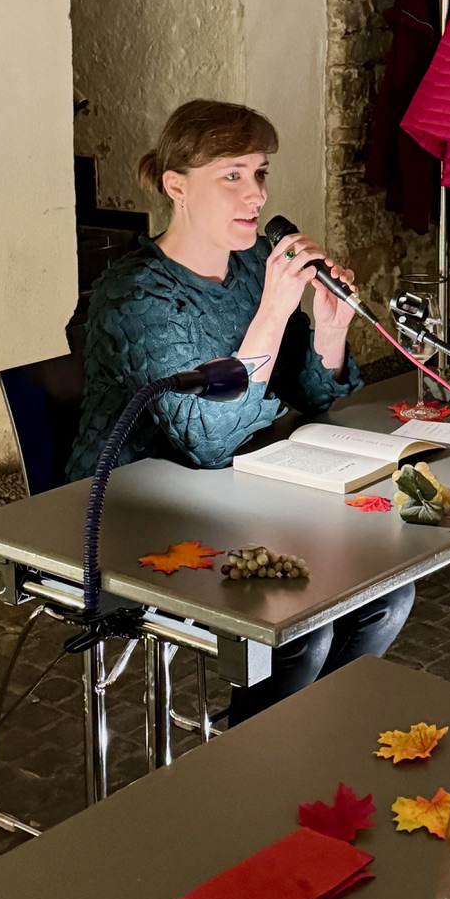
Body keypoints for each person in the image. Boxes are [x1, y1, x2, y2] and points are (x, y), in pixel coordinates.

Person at [67, 99, 415, 724]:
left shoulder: (253, 265)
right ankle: (256, 761)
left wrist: (331, 328)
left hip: (236, 496)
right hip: (136, 513)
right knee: (301, 630)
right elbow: (207, 441)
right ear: (176, 187)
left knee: (386, 595)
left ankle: (310, 744)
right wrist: (274, 311)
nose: (255, 194)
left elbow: (318, 398)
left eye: (259, 173)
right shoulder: (137, 295)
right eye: (231, 175)